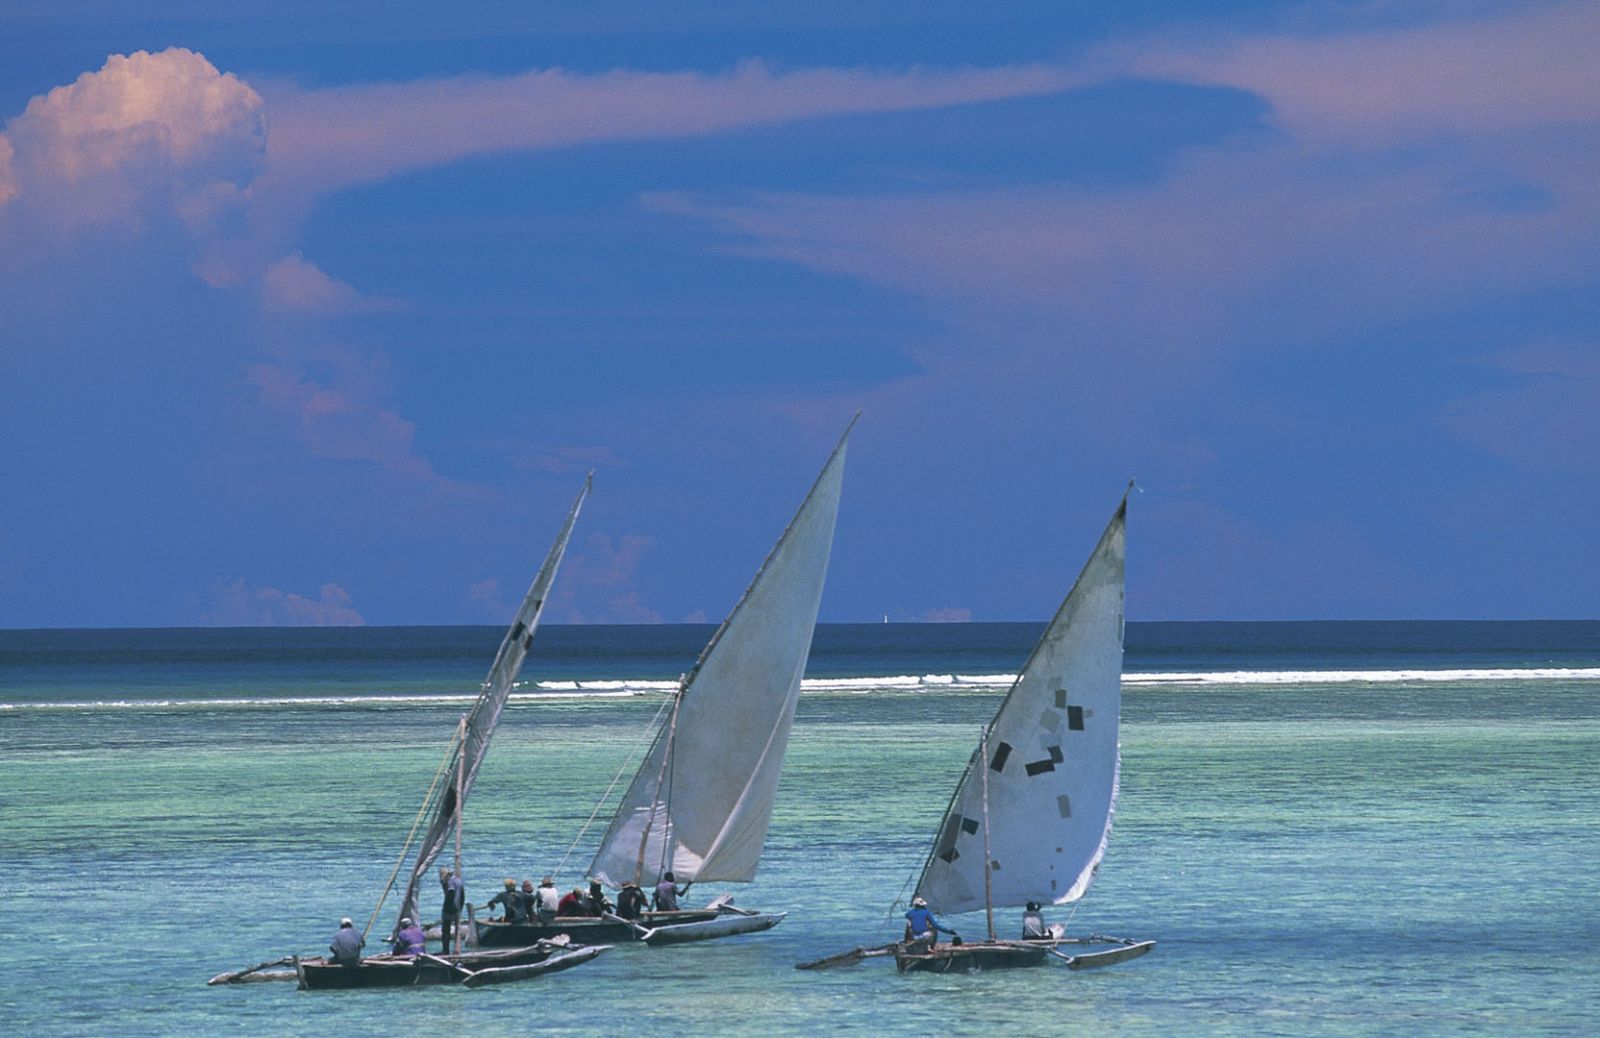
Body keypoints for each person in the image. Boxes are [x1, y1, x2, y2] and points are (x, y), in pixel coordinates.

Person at [439, 867, 466, 953]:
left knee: (446, 930)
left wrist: (446, 906)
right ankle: (454, 949)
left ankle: (445, 950)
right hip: (457, 907)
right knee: (455, 929)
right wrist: (460, 907)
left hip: (449, 906)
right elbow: (462, 895)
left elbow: (451, 893)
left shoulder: (450, 881)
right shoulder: (458, 881)